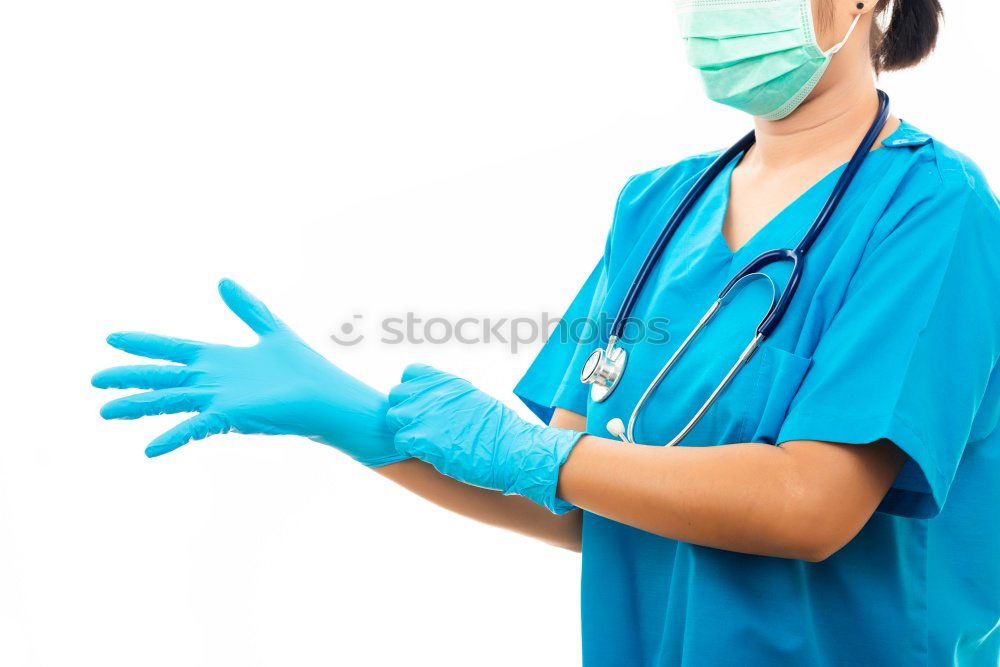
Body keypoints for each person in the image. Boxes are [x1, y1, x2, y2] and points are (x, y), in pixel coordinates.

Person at [93, 0, 1000, 664]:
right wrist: (363, 420)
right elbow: (574, 498)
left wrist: (533, 456)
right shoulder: (658, 209)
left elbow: (812, 505)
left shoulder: (931, 208)